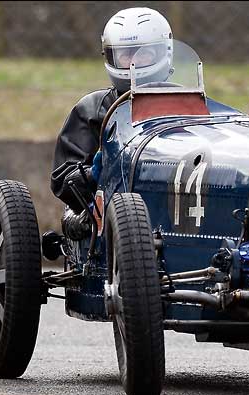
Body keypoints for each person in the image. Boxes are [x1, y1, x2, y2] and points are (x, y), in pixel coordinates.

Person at [51, 7, 173, 240]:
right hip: (106, 219)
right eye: (126, 55)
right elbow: (62, 180)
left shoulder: (190, 107)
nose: (134, 62)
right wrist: (97, 174)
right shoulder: (92, 110)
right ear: (111, 57)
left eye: (143, 54)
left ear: (163, 52)